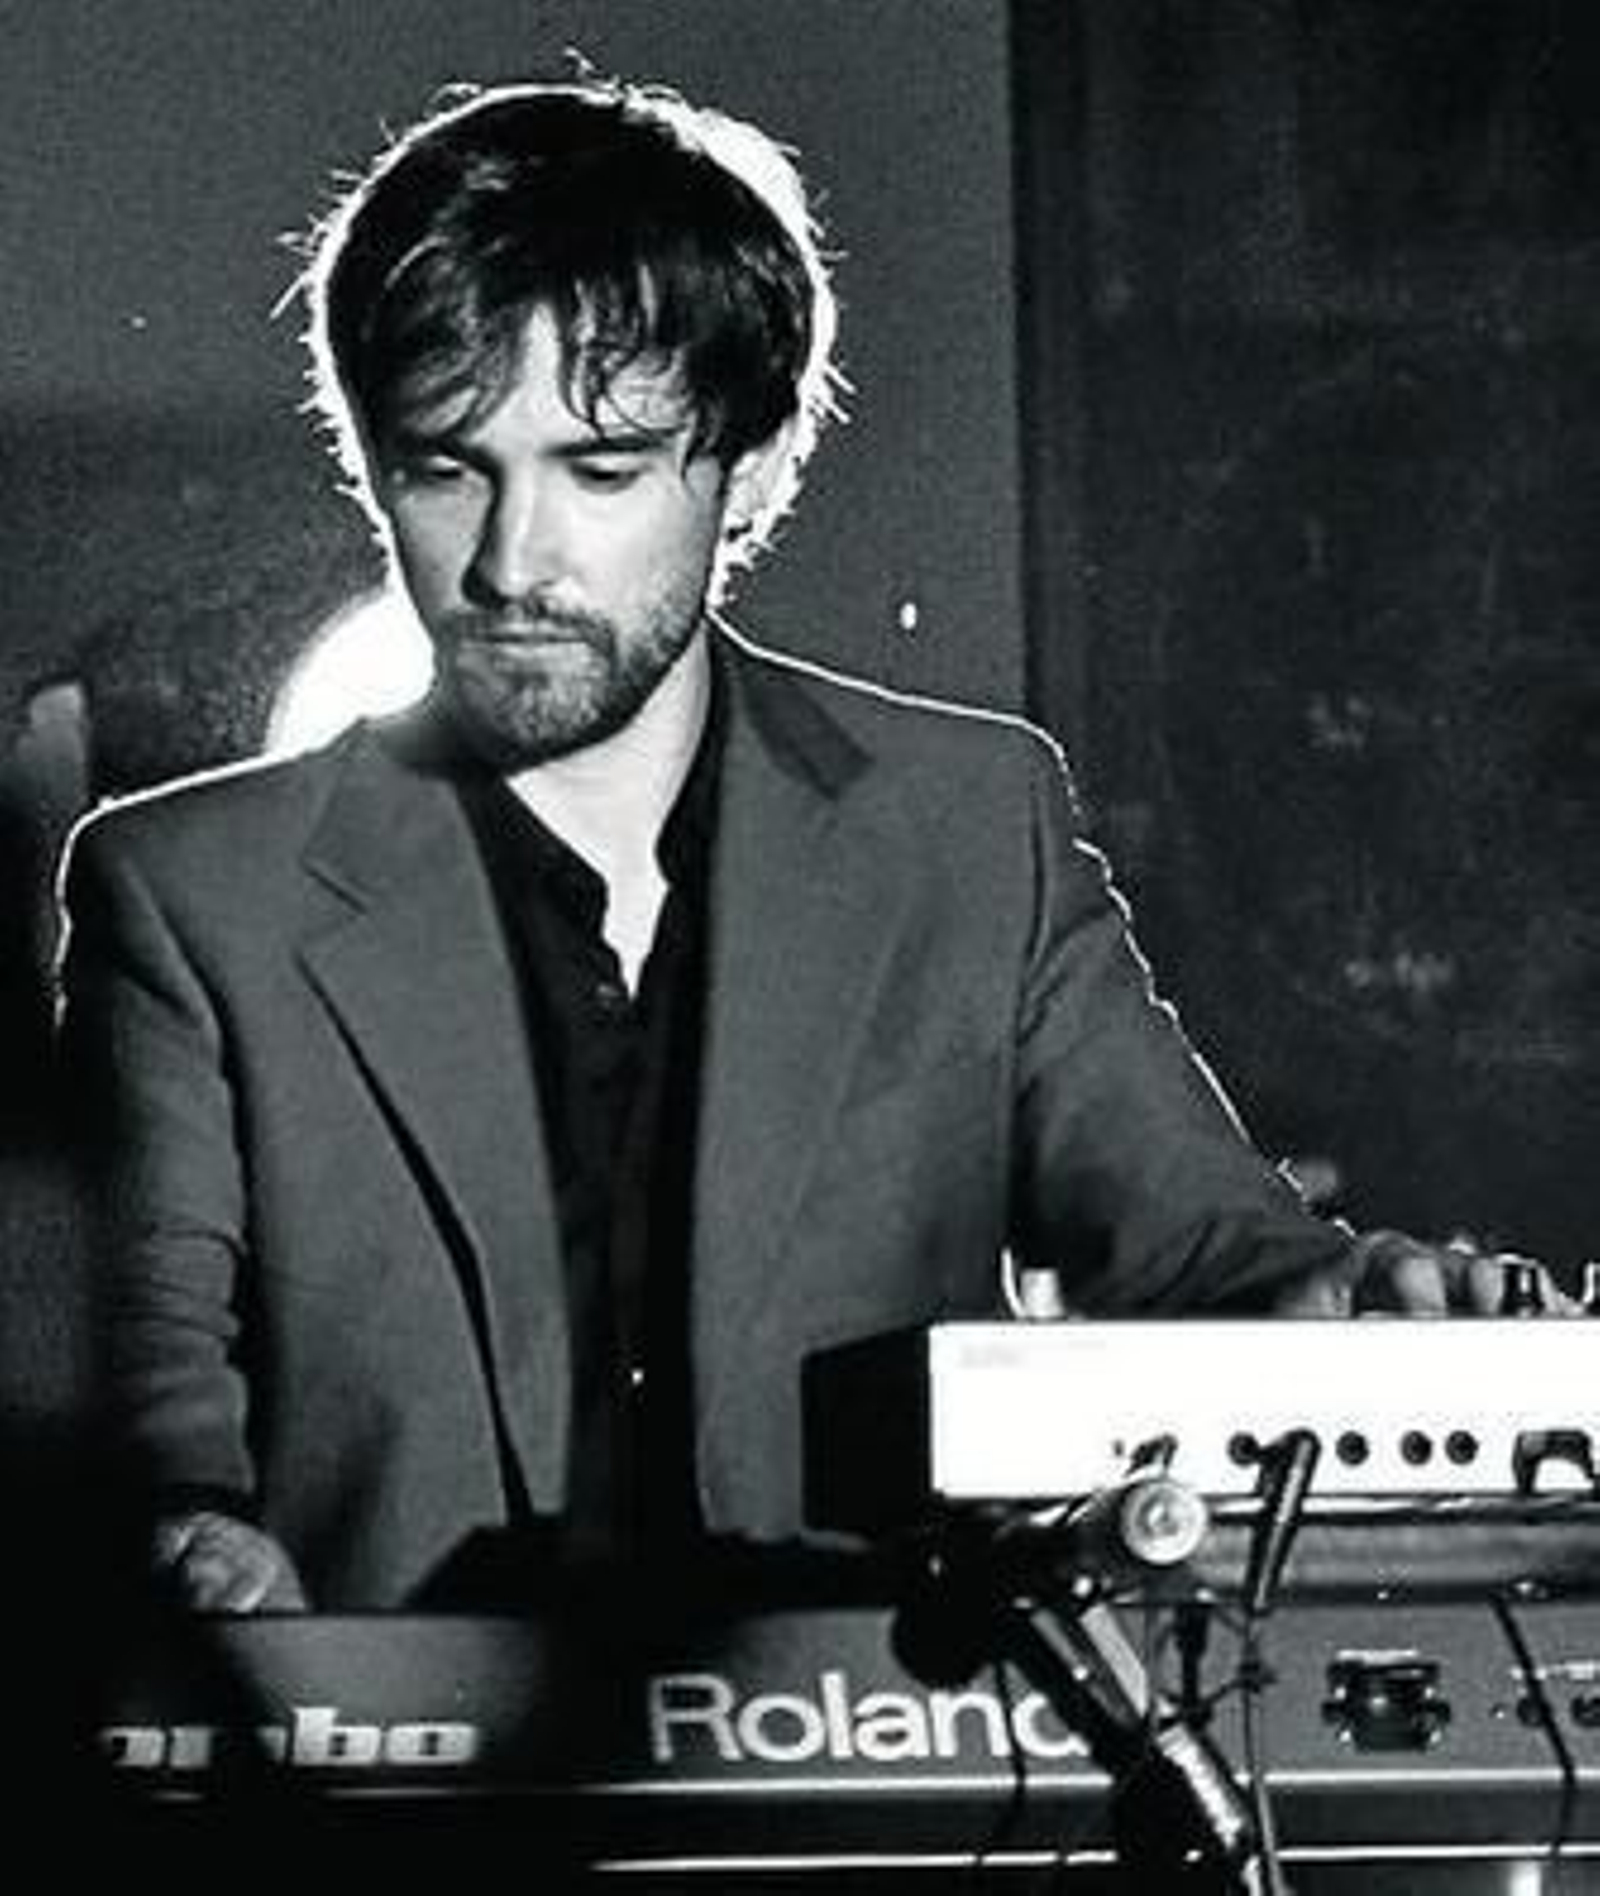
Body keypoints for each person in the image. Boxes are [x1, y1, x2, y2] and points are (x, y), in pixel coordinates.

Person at [54, 74, 1568, 1618]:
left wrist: (1367, 1302)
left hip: (887, 1741)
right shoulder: (190, 897)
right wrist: (189, 1541)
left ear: (755, 468)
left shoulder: (968, 828)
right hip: (395, 1761)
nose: (512, 561)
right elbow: (144, 1384)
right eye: (449, 467)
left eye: (601, 470)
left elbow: (1197, 1253)